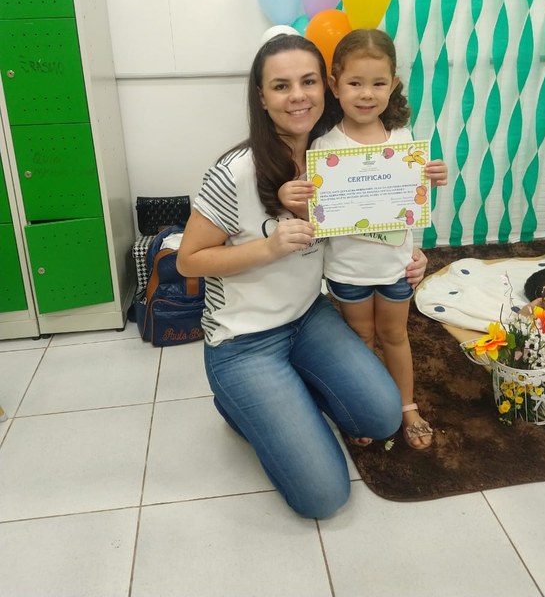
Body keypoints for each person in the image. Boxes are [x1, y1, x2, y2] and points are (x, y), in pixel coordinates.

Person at [176, 33, 428, 519]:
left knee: (381, 418)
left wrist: (410, 254)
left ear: (325, 87)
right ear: (261, 97)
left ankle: (289, 390)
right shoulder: (235, 171)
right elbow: (188, 261)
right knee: (324, 497)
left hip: (309, 318)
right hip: (243, 341)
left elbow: (371, 221)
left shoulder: (335, 154)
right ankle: (237, 400)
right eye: (281, 85)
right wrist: (269, 247)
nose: (298, 96)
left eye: (308, 81)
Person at [279, 29, 448, 450]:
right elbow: (314, 217)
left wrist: (432, 177)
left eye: (378, 83)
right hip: (348, 270)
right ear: (335, 85)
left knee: (395, 336)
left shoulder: (405, 142)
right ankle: (365, 405)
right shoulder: (323, 147)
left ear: (393, 85)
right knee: (361, 339)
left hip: (396, 268)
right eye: (355, 83)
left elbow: (411, 205)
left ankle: (406, 406)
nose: (367, 94)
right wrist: (292, 196)